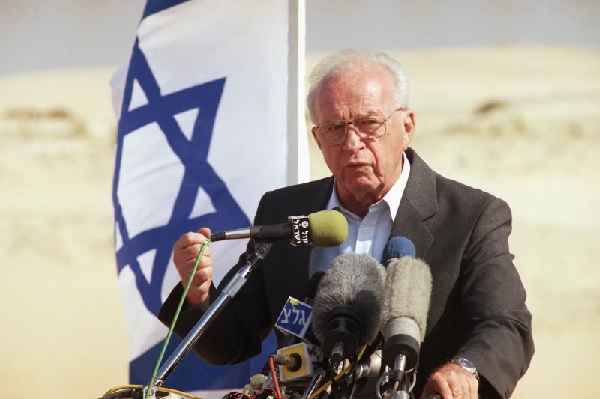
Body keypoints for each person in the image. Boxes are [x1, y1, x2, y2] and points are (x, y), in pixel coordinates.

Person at [158, 49, 534, 399]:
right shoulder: (283, 212)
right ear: (318, 140)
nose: (352, 143)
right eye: (334, 128)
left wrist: (465, 370)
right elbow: (232, 342)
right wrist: (198, 293)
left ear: (407, 125)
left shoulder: (471, 216)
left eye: (369, 123)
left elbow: (506, 324)